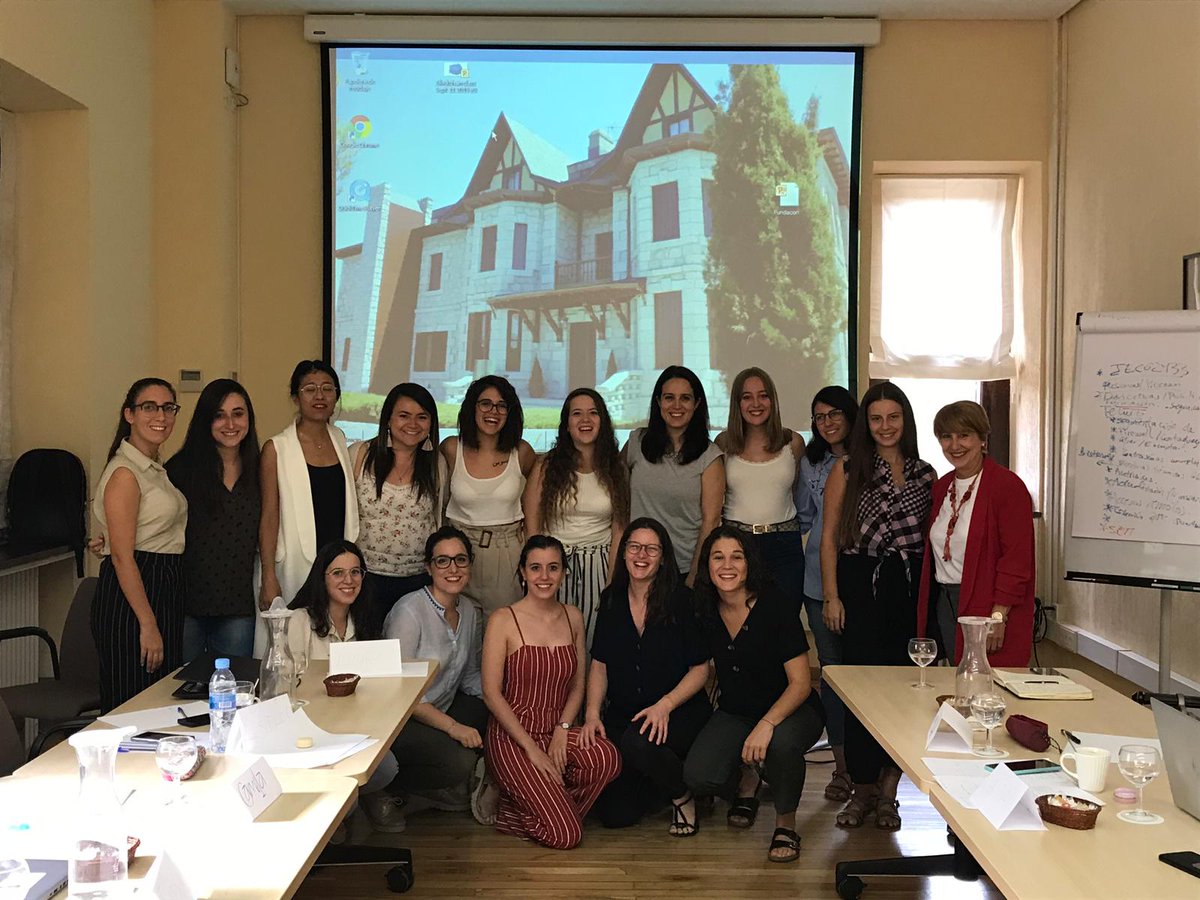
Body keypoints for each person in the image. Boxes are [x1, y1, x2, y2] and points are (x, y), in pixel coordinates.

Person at [820, 382, 935, 832]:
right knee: (862, 691)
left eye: (893, 418)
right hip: (858, 583)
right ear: (865, 425)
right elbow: (829, 538)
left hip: (907, 588)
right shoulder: (848, 469)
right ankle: (863, 789)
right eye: (876, 418)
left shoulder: (926, 474)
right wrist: (831, 595)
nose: (885, 426)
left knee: (904, 693)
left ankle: (889, 792)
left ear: (904, 422)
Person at [682, 525, 826, 863]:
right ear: (707, 565)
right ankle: (749, 780)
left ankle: (786, 825)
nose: (727, 565)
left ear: (750, 564)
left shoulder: (775, 605)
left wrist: (767, 723)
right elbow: (702, 669)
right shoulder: (704, 608)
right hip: (737, 710)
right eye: (718, 557)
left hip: (792, 708)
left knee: (779, 743)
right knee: (698, 775)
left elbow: (802, 684)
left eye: (737, 557)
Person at [481, 535, 621, 849]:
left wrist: (563, 727)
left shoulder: (573, 616)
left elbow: (578, 683)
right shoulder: (503, 619)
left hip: (557, 727)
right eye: (535, 568)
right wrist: (531, 748)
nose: (544, 577)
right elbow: (491, 694)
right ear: (522, 572)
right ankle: (519, 809)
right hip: (513, 736)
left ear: (564, 572)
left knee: (607, 758)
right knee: (566, 836)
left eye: (553, 568)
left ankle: (540, 802)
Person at [582, 518, 710, 834]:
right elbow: (599, 663)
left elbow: (700, 670)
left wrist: (665, 706)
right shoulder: (611, 598)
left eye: (651, 549)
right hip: (626, 714)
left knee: (638, 742)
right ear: (624, 553)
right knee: (614, 815)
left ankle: (682, 795)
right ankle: (660, 783)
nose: (642, 555)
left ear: (664, 556)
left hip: (677, 712)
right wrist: (592, 714)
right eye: (634, 547)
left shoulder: (682, 599)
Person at [286, 540, 398, 830]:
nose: (349, 581)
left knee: (387, 768)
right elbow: (287, 689)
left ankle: (352, 808)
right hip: (310, 732)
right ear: (321, 578)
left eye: (355, 572)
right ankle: (344, 814)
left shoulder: (367, 619)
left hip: (360, 728)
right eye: (338, 573)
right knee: (340, 800)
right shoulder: (299, 620)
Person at [92, 378, 188, 712]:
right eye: (149, 406)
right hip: (134, 598)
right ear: (130, 414)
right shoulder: (125, 473)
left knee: (160, 705)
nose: (160, 415)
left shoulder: (152, 469)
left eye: (168, 407)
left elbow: (139, 531)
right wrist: (147, 624)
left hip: (162, 587)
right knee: (132, 711)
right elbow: (122, 558)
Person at [382, 526, 488, 828]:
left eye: (460, 560)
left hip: (443, 705)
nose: (453, 569)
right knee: (460, 761)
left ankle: (442, 786)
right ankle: (387, 790)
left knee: (493, 710)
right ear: (429, 567)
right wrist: (453, 728)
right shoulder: (409, 612)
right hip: (403, 718)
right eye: (443, 561)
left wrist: (506, 700)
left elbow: (469, 678)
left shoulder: (469, 610)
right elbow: (401, 692)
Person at [917, 401, 1035, 666]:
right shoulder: (942, 487)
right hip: (946, 602)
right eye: (946, 437)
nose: (955, 445)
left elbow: (1017, 559)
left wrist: (998, 615)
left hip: (987, 604)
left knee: (988, 687)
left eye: (964, 435)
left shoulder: (1007, 486)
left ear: (982, 439)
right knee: (955, 682)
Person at [524, 388, 628, 647]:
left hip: (600, 563)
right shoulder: (546, 466)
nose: (585, 420)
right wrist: (539, 569)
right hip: (554, 565)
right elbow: (533, 522)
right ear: (566, 425)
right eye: (577, 414)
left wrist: (612, 582)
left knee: (594, 641)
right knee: (553, 641)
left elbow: (619, 529)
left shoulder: (616, 469)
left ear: (602, 422)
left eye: (593, 413)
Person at [167, 379, 261, 661]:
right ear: (205, 420)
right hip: (186, 603)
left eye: (238, 413)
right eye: (219, 415)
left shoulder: (261, 468)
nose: (229, 423)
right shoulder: (180, 469)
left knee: (234, 693)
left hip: (237, 605)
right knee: (181, 693)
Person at [795, 385, 858, 802]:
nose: (828, 422)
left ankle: (872, 773)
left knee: (866, 673)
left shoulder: (869, 458)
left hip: (867, 583)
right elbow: (803, 516)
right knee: (833, 676)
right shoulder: (811, 462)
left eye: (835, 413)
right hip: (820, 584)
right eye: (819, 416)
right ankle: (842, 769)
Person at [259, 360, 359, 614]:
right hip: (294, 560)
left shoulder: (339, 438)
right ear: (295, 397)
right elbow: (269, 516)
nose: (319, 396)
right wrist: (268, 576)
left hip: (336, 560)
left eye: (327, 388)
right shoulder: (276, 448)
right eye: (310, 389)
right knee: (293, 637)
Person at [441, 376, 536, 619]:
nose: (493, 411)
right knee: (458, 630)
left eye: (501, 405)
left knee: (504, 629)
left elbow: (534, 506)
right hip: (458, 552)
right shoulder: (452, 448)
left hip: (506, 552)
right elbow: (439, 505)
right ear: (472, 408)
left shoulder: (522, 452)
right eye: (485, 404)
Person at [624, 366, 724, 586]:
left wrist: (694, 575)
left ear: (697, 403)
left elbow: (711, 521)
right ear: (658, 401)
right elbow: (619, 501)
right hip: (637, 566)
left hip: (683, 570)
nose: (676, 406)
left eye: (685, 398)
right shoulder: (635, 443)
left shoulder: (710, 456)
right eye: (669, 398)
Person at [353, 382, 446, 617]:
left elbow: (439, 518)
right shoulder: (359, 454)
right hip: (365, 579)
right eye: (404, 415)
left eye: (422, 417)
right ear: (388, 418)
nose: (412, 425)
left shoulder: (437, 464)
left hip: (418, 581)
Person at [717, 367, 806, 599]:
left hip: (783, 544)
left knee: (784, 621)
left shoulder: (793, 442)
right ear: (737, 403)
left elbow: (796, 491)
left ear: (773, 400)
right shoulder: (723, 443)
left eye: (763, 395)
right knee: (739, 620)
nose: (756, 403)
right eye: (747, 397)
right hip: (736, 544)